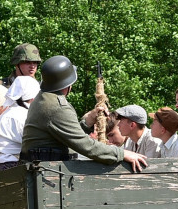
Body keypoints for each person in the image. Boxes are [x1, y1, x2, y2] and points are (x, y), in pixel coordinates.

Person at [20, 55, 148, 172]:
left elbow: (65, 134)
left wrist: (88, 121)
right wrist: (122, 154)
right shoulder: (58, 106)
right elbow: (85, 145)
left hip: (42, 169)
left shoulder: (43, 98)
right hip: (47, 173)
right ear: (68, 84)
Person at [0, 76, 41, 171]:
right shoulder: (22, 115)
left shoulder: (5, 115)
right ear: (33, 97)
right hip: (10, 167)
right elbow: (35, 144)